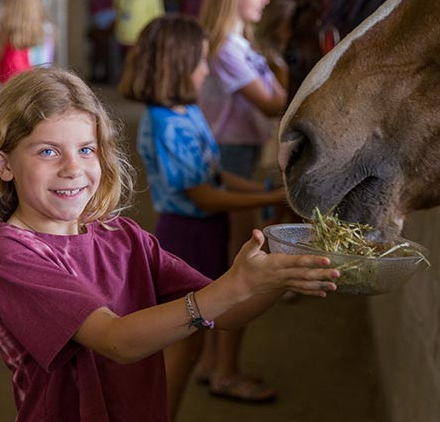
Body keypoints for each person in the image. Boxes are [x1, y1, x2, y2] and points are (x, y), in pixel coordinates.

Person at [0, 67, 338, 422]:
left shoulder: (123, 237)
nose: (72, 168)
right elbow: (116, 341)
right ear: (3, 165)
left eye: (86, 149)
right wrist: (233, 286)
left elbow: (227, 314)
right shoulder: (9, 254)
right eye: (47, 151)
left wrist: (280, 273)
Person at [119, 14, 291, 415]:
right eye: (199, 62)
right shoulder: (165, 125)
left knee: (196, 335)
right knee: (186, 342)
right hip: (187, 235)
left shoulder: (188, 112)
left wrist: (270, 192)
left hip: (206, 232)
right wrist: (265, 201)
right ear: (177, 66)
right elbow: (205, 197)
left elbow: (215, 174)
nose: (204, 70)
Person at [196, 0, 289, 403]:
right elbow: (274, 102)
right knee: (241, 264)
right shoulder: (227, 49)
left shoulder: (241, 44)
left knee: (231, 258)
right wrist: (282, 70)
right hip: (230, 150)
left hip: (241, 150)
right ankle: (225, 371)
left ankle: (211, 362)